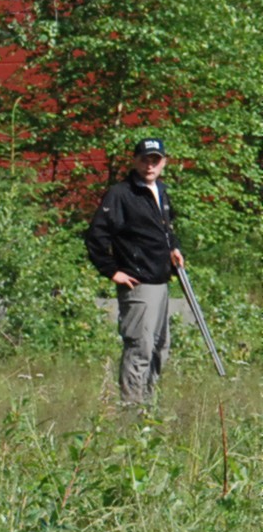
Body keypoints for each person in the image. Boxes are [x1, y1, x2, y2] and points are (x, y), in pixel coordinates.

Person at [86, 137, 185, 405]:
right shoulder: (121, 194)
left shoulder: (160, 191)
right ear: (135, 161)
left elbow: (166, 229)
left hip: (162, 279)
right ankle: (131, 410)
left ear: (164, 162)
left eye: (155, 160)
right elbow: (96, 236)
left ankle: (148, 407)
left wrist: (174, 249)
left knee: (160, 348)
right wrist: (111, 270)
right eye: (144, 159)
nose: (149, 165)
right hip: (138, 283)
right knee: (139, 347)